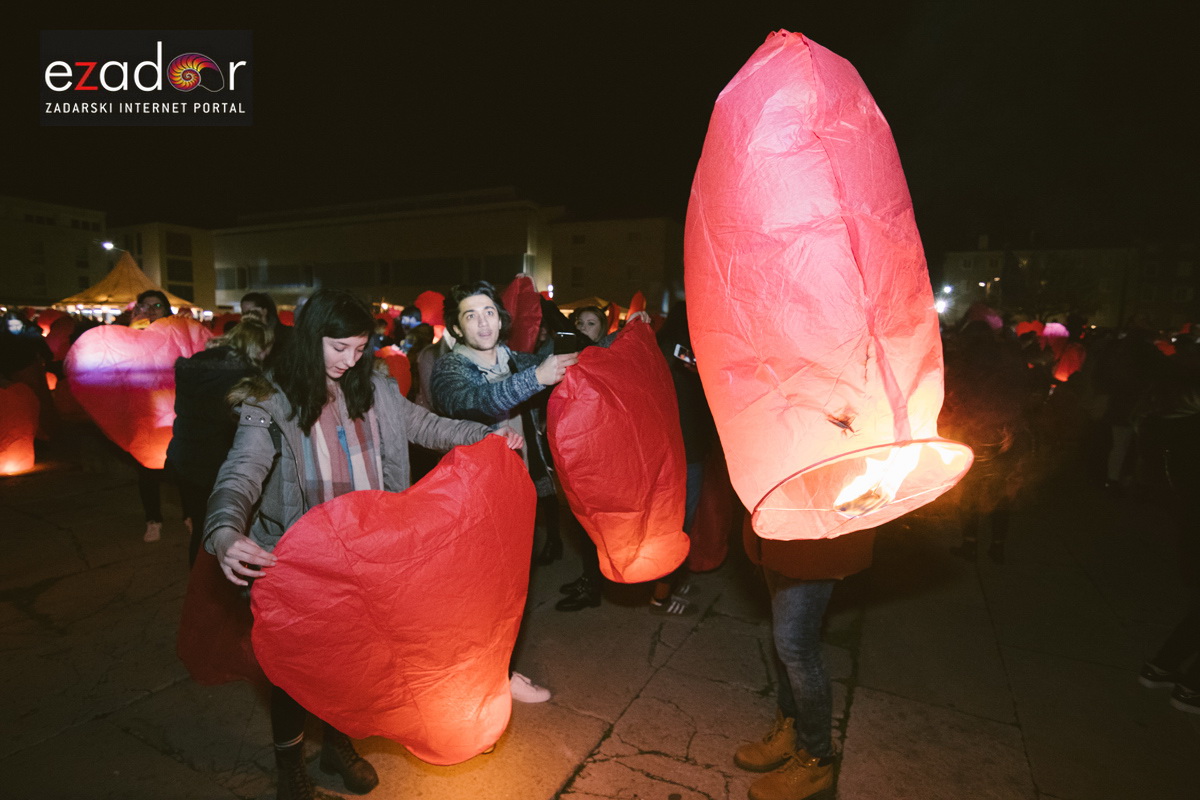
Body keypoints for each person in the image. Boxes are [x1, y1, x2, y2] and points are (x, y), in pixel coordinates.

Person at [204, 289, 522, 800]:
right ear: (311, 340)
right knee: (293, 672)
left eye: (359, 348)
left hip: (372, 556)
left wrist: (481, 436)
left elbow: (424, 425)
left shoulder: (374, 384)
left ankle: (338, 746)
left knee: (356, 661)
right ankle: (291, 767)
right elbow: (241, 472)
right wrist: (223, 530)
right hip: (303, 563)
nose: (350, 360)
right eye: (338, 348)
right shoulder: (269, 399)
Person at [430, 280, 577, 700]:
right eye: (470, 316)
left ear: (501, 317)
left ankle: (503, 670)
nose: (482, 323)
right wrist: (537, 378)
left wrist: (623, 336)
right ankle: (490, 679)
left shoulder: (514, 358)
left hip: (518, 488)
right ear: (456, 329)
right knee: (483, 590)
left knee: (515, 584)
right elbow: (477, 401)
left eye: (489, 312)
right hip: (474, 498)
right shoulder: (450, 369)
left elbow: (567, 355)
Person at [734, 529, 875, 800]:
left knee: (796, 645)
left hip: (818, 536)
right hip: (775, 528)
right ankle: (790, 728)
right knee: (783, 637)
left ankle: (816, 759)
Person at [166, 317, 273, 565]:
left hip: (185, 459)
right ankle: (218, 590)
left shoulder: (194, 367)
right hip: (219, 462)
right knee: (226, 529)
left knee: (201, 527)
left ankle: (198, 591)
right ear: (259, 346)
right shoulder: (246, 377)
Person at [130, 291, 175, 542]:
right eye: (144, 306)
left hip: (175, 408)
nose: (150, 310)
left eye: (156, 305)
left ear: (167, 308)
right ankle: (153, 519)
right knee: (146, 467)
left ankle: (190, 514)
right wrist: (134, 327)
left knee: (182, 466)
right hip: (145, 410)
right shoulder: (130, 335)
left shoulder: (176, 332)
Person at [241, 291, 293, 366]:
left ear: (264, 311)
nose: (248, 316)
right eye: (244, 313)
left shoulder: (285, 334)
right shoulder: (244, 335)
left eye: (251, 312)